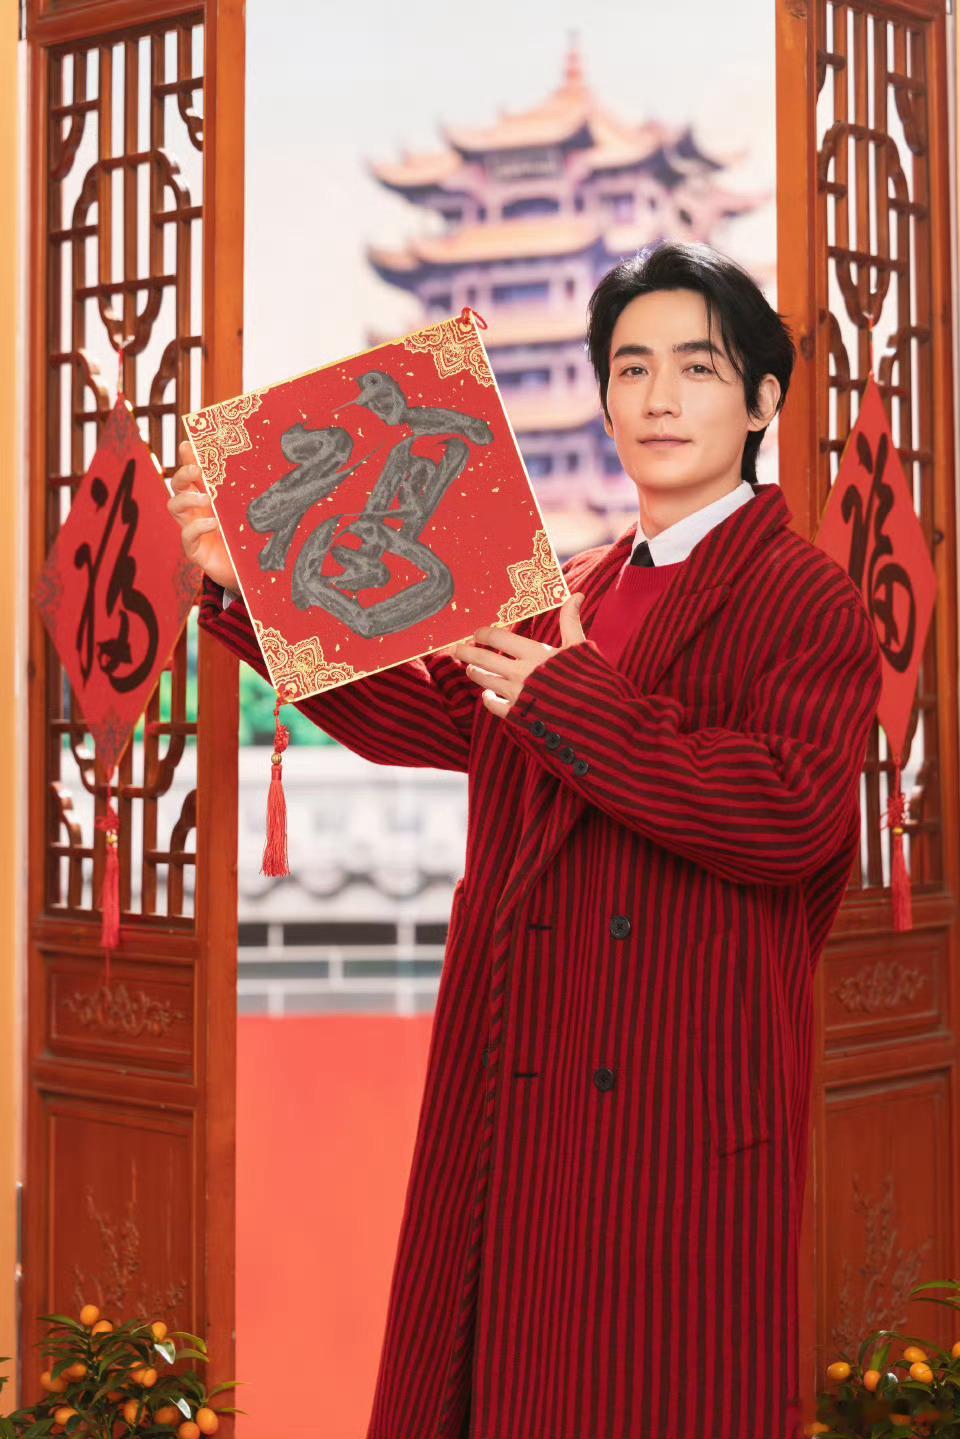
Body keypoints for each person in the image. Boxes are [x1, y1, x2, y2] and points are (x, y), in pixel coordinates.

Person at [168, 240, 882, 1439]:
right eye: (631, 368)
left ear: (764, 399)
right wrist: (249, 586)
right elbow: (437, 714)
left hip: (675, 1094)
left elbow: (787, 811)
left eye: (698, 367)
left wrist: (566, 697)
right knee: (508, 1386)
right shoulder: (571, 586)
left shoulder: (808, 597)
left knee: (656, 1394)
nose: (658, 397)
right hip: (523, 1068)